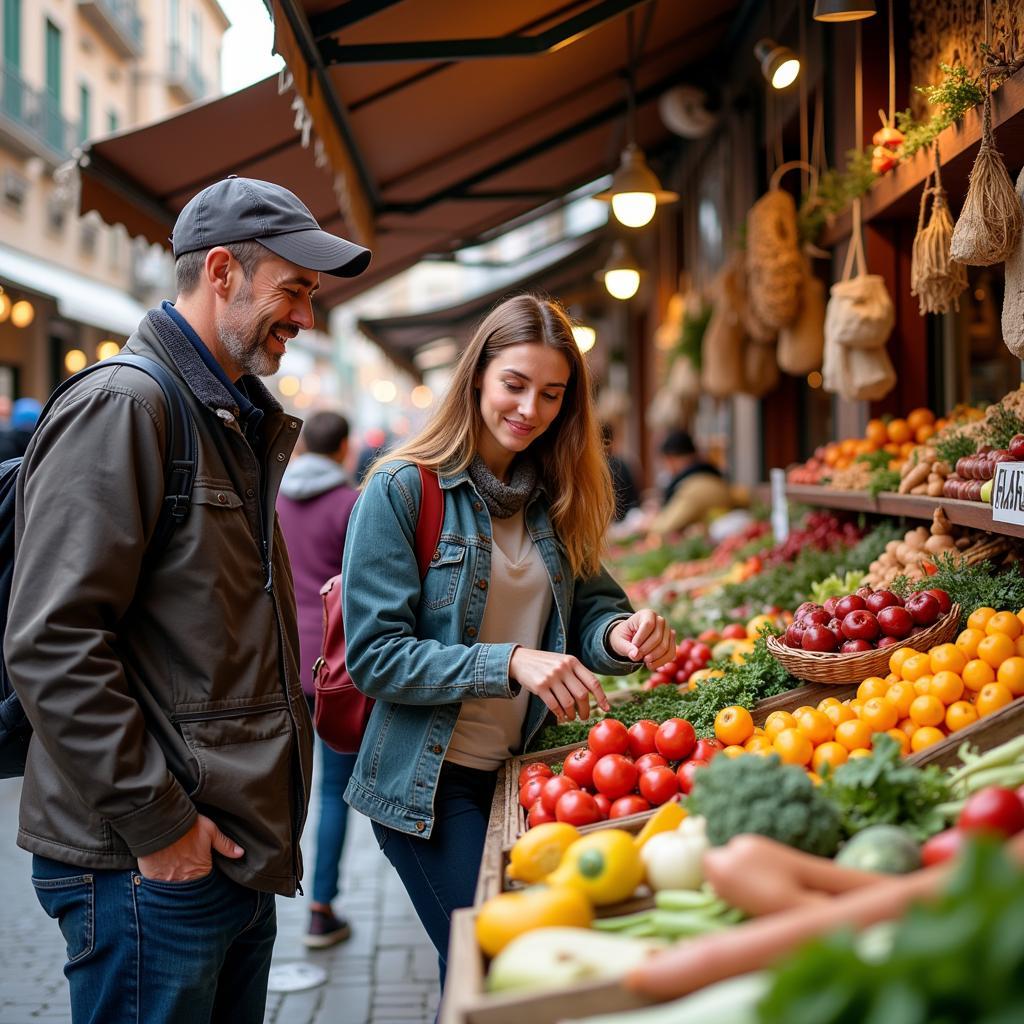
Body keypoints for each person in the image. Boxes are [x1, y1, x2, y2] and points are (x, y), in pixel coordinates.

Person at [5, 177, 370, 1024]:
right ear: (220, 271)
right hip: (145, 863)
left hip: (223, 853)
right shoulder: (125, 405)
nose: (305, 318)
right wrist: (162, 827)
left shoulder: (228, 419)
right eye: (294, 291)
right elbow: (53, 643)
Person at [341, 293, 676, 985]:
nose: (530, 409)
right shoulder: (403, 489)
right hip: (425, 786)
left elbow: (590, 609)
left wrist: (623, 635)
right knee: (494, 971)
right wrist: (511, 661)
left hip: (517, 776)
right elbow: (374, 655)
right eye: (515, 386)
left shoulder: (550, 496)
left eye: (551, 394)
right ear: (477, 380)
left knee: (486, 976)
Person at [277, 410, 359, 949]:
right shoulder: (352, 504)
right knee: (333, 791)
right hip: (335, 665)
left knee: (282, 787)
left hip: (282, 658)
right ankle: (321, 907)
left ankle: (267, 891)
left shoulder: (275, 497)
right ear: (344, 449)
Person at [649, 428, 734, 536]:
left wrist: (648, 523)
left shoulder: (695, 486)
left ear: (671, 459)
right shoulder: (710, 476)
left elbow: (666, 526)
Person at [602, 421, 640, 521]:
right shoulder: (621, 463)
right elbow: (635, 496)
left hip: (609, 521)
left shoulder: (600, 466)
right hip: (626, 518)